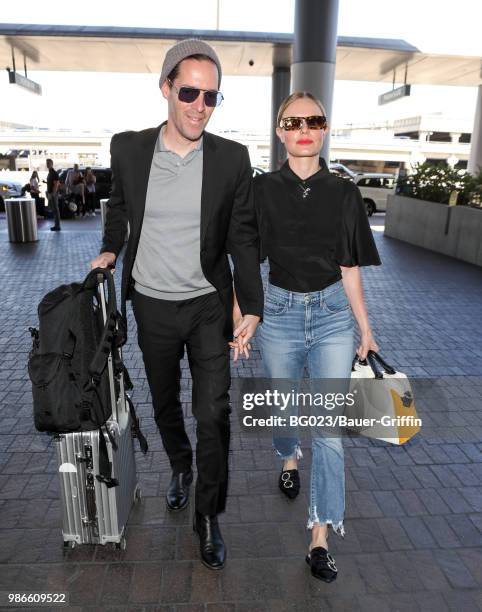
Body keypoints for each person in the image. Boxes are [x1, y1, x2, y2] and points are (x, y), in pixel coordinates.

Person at [89, 38, 263, 570]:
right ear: (166, 88)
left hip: (208, 304)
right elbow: (119, 208)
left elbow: (242, 239)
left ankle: (208, 515)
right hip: (152, 307)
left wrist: (249, 304)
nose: (199, 106)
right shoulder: (129, 148)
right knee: (165, 402)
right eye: (189, 92)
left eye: (211, 97)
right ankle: (180, 466)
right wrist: (109, 248)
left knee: (214, 410)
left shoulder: (233, 159)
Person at [251, 91, 381, 583]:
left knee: (328, 431)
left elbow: (349, 266)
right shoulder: (261, 190)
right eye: (294, 120)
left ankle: (319, 538)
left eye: (315, 120)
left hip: (331, 316)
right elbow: (246, 256)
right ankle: (287, 454)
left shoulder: (344, 192)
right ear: (281, 130)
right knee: (284, 408)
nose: (305, 127)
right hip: (280, 313)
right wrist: (247, 312)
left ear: (324, 129)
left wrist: (365, 327)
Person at [46, 159, 60, 231]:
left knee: (55, 210)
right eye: (47, 163)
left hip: (53, 194)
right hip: (51, 193)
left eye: (48, 163)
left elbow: (56, 183)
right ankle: (56, 225)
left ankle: (57, 226)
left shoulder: (54, 173)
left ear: (52, 163)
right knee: (54, 210)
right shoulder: (50, 173)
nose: (47, 164)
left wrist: (53, 193)